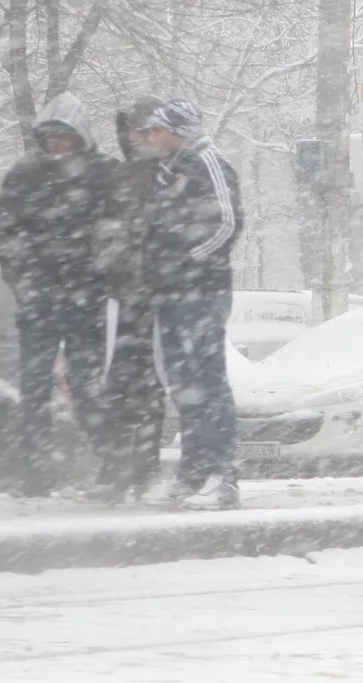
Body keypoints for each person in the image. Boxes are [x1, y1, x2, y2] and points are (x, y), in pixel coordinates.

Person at [0, 92, 118, 497]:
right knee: (33, 387)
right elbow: (7, 233)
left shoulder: (105, 175)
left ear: (81, 136)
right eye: (51, 137)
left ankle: (111, 463)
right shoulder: (25, 175)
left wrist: (98, 278)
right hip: (39, 300)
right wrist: (26, 283)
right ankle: (37, 472)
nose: (57, 144)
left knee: (85, 385)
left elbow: (120, 232)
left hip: (87, 301)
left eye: (65, 136)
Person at [138, 99, 244, 509]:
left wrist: (188, 262)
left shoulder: (209, 164)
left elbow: (228, 223)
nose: (151, 137)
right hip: (170, 295)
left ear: (178, 130)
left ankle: (225, 473)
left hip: (202, 292)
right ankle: (194, 471)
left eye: (157, 130)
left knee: (210, 383)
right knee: (184, 386)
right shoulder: (170, 172)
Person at [74, 96, 170, 504]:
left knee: (148, 386)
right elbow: (106, 226)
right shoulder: (124, 174)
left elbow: (163, 231)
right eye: (131, 129)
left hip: (156, 297)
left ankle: (143, 468)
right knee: (117, 385)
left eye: (144, 129)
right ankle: (117, 467)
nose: (136, 136)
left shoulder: (168, 174)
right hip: (122, 296)